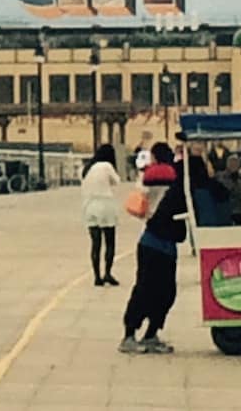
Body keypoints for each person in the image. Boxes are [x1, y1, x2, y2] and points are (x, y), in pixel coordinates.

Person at [119, 149, 195, 355]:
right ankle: (131, 335)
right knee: (152, 290)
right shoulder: (175, 185)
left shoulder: (148, 179)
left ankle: (147, 333)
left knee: (159, 291)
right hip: (157, 243)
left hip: (159, 243)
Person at [81, 144, 121, 287]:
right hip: (105, 205)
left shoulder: (87, 168)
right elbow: (117, 181)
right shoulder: (106, 166)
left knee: (95, 244)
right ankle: (108, 273)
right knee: (109, 242)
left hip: (89, 207)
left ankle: (97, 276)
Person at [216, 154, 241, 226]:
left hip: (238, 208)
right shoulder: (220, 177)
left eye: (236, 163)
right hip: (225, 208)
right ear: (227, 164)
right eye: (231, 163)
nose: (234, 165)